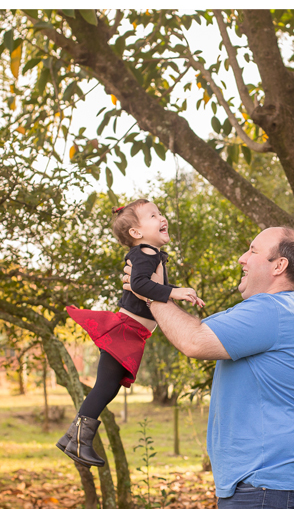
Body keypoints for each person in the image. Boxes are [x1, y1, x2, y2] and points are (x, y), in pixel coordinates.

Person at [123, 227, 294, 509]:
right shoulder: (268, 311)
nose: (242, 259)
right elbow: (190, 328)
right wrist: (155, 292)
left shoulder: (269, 312)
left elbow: (194, 342)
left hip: (264, 482)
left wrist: (147, 293)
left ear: (279, 266)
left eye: (252, 250)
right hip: (257, 482)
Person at [57, 198, 204, 467]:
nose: (162, 218)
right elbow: (139, 285)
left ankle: (72, 438)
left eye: (160, 213)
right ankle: (78, 441)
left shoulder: (151, 254)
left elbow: (147, 285)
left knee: (108, 387)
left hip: (130, 332)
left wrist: (173, 292)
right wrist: (174, 292)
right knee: (105, 387)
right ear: (136, 233)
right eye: (152, 216)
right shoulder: (144, 253)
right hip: (125, 331)